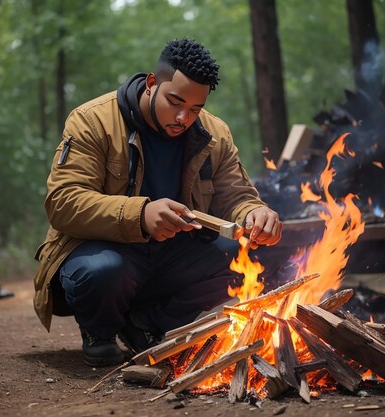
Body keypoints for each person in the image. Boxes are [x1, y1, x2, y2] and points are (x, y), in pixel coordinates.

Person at [32, 38, 283, 367]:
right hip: (106, 253)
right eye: (174, 102)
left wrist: (255, 213)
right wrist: (141, 214)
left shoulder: (215, 134)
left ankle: (147, 323)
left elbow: (236, 195)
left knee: (255, 260)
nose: (183, 117)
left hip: (172, 255)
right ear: (152, 83)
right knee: (104, 271)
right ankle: (100, 331)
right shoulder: (93, 121)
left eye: (196, 109)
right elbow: (63, 202)